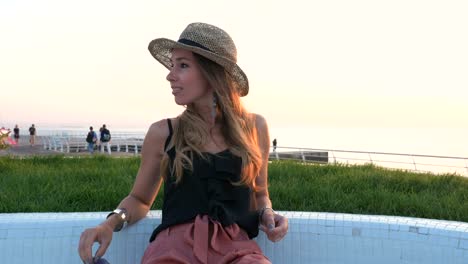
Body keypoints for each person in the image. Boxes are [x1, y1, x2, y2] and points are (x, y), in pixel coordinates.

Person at [78, 22, 288, 264]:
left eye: (183, 66)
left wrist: (268, 215)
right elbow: (140, 200)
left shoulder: (254, 128)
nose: (170, 75)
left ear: (212, 74)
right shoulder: (163, 132)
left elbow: (260, 194)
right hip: (173, 249)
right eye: (172, 65)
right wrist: (110, 223)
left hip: (237, 250)